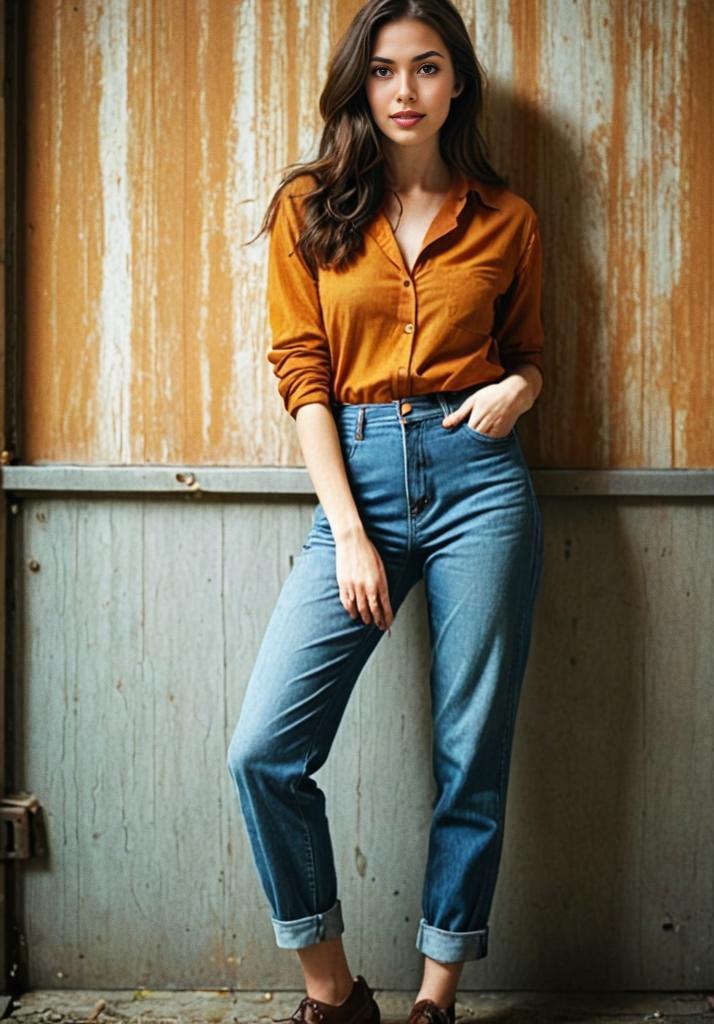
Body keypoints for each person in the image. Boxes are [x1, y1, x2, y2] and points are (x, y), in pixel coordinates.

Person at [227, 2, 545, 1022]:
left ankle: (435, 997)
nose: (404, 91)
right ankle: (334, 993)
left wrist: (520, 392)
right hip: (352, 482)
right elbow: (301, 372)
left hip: (479, 483)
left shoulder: (508, 218)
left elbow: (533, 354)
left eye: (428, 68)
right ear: (358, 85)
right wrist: (352, 529)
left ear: (459, 84)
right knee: (264, 750)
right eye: (383, 71)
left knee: (471, 748)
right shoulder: (311, 209)